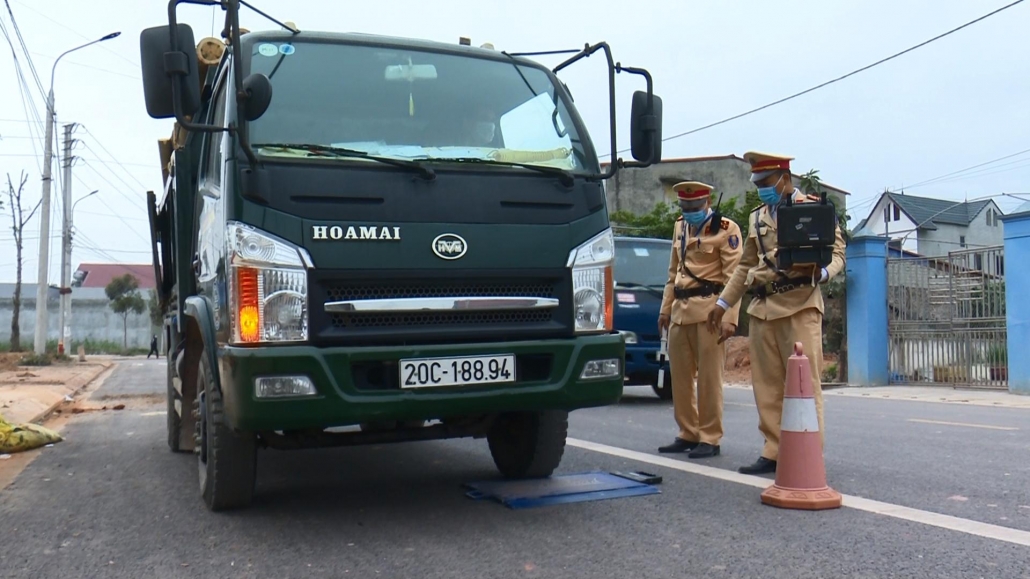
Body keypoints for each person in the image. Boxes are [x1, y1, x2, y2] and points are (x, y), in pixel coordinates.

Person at [706, 151, 846, 475]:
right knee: (766, 386)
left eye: (767, 182)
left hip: (799, 306)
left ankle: (809, 450)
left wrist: (823, 274)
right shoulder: (757, 217)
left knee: (804, 384)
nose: (762, 189)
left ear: (785, 178)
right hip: (763, 309)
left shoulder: (812, 208)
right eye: (758, 183)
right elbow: (744, 266)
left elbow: (837, 252)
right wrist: (723, 303)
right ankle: (773, 450)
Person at [657, 181, 743, 459]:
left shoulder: (727, 230)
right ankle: (687, 432)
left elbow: (734, 278)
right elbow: (673, 274)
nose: (690, 211)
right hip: (680, 312)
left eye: (694, 207)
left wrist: (730, 316)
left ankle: (709, 437)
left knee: (709, 379)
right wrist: (665, 310)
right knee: (680, 378)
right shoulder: (680, 226)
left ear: (707, 203)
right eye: (685, 206)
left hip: (710, 311)